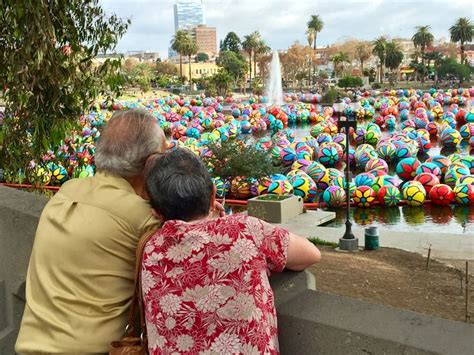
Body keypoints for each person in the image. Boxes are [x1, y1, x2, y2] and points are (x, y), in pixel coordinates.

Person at [16, 109, 167, 354]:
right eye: (164, 155)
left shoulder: (66, 191)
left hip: (28, 345)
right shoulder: (142, 218)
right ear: (150, 162)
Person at [143, 149, 321, 354]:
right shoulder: (244, 230)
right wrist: (219, 222)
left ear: (156, 213)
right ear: (212, 196)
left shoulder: (151, 250)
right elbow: (311, 253)